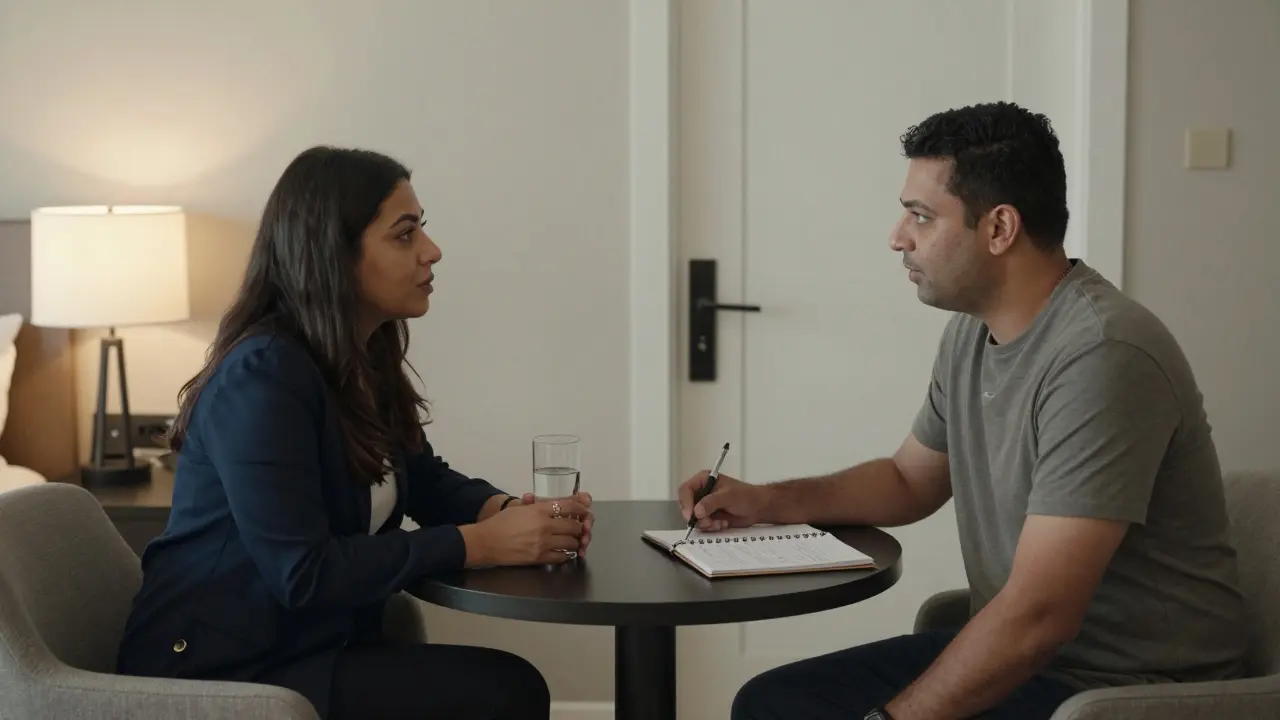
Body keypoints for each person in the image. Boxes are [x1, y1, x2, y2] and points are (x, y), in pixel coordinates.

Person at [679, 102, 1248, 720]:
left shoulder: (1102, 356)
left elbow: (1039, 617)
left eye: (920, 216)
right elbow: (908, 481)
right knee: (774, 703)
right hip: (1037, 662)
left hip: (1122, 687)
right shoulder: (972, 333)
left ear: (1000, 228)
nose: (898, 237)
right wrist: (765, 502)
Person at [115, 146, 593, 720]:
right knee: (506, 690)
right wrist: (481, 543)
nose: (432, 252)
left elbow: (419, 478)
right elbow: (302, 573)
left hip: (307, 644)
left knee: (504, 686)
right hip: (218, 666)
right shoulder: (263, 376)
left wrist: (511, 513)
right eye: (404, 235)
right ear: (333, 254)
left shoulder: (357, 354)